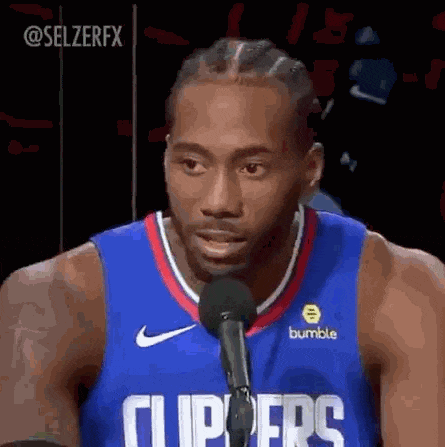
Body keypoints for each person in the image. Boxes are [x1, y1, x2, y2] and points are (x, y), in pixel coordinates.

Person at [1, 37, 444, 447]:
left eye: (252, 169)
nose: (217, 203)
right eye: (192, 164)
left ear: (310, 171)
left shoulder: (401, 292)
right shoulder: (52, 302)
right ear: (166, 159)